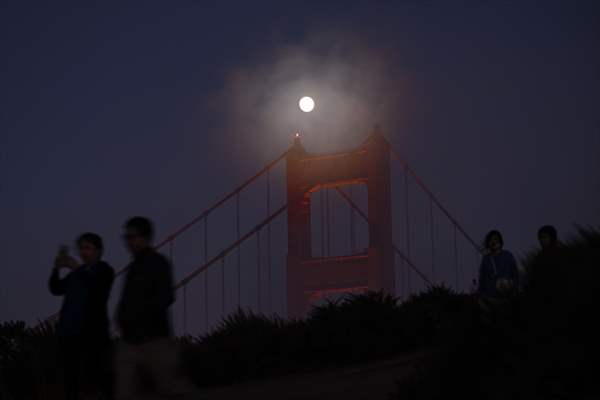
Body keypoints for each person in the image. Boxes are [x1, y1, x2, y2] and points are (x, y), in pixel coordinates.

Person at [115, 216, 189, 399]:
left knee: (172, 390)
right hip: (130, 342)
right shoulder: (132, 268)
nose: (128, 241)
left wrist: (139, 315)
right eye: (126, 237)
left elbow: (167, 297)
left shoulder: (159, 263)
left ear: (146, 237)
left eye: (132, 236)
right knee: (123, 391)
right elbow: (126, 301)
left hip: (156, 340)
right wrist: (122, 317)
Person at [49, 233, 115, 400]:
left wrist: (76, 267)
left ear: (98, 251)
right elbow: (56, 288)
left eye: (88, 248)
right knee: (70, 383)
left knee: (100, 380)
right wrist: (56, 268)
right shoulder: (76, 274)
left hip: (93, 336)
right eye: (81, 248)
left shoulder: (104, 270)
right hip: (68, 335)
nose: (83, 252)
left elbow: (96, 289)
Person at [477, 230, 519, 298]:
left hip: (507, 296)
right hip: (491, 297)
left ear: (500, 241)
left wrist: (509, 284)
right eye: (491, 240)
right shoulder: (486, 259)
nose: (493, 242)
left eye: (495, 239)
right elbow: (482, 279)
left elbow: (516, 275)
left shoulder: (508, 256)